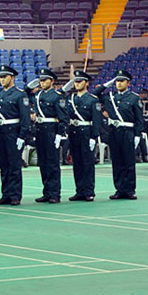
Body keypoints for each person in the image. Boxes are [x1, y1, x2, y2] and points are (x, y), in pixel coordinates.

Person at [0, 65, 31, 206]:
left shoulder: (20, 94)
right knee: (4, 164)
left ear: (12, 78)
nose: (2, 80)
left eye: (4, 77)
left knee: (14, 165)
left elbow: (25, 118)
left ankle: (15, 195)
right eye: (0, 77)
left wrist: (22, 136)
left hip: (13, 131)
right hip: (0, 131)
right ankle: (6, 194)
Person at [92, 70, 144, 199]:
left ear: (128, 83)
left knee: (129, 162)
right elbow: (94, 94)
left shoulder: (134, 98)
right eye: (117, 81)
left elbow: (139, 119)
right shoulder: (110, 97)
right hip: (114, 132)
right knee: (117, 162)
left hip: (128, 132)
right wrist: (107, 84)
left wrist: (137, 135)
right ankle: (119, 189)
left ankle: (130, 190)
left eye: (122, 81)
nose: (119, 83)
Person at [24, 68, 69, 204]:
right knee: (42, 162)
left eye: (45, 80)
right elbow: (25, 95)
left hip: (51, 130)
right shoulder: (38, 95)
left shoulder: (57, 96)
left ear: (52, 81)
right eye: (41, 80)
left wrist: (60, 134)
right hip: (40, 130)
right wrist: (28, 87)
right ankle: (47, 192)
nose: (42, 83)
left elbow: (63, 118)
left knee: (52, 163)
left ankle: (55, 193)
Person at [61, 69, 103, 201]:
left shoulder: (92, 100)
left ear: (86, 83)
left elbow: (97, 120)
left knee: (87, 163)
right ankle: (79, 190)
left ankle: (89, 191)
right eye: (76, 82)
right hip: (74, 132)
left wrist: (94, 137)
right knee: (77, 162)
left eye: (80, 81)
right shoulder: (71, 99)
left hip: (86, 132)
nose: (77, 84)